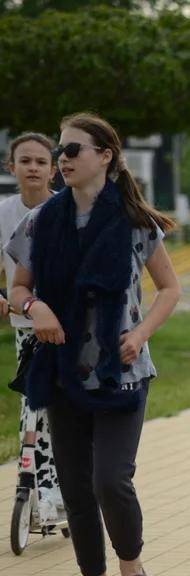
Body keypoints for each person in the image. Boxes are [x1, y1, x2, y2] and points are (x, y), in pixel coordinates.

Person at [5, 112, 181, 576]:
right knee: (77, 488)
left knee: (111, 480)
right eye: (61, 149)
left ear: (105, 156)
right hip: (61, 372)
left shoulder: (133, 221)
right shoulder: (41, 221)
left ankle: (134, 571)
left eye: (73, 149)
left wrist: (140, 333)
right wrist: (34, 309)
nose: (63, 158)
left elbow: (169, 288)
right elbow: (17, 289)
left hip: (121, 372)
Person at [1, 133, 63, 523]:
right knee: (33, 404)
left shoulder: (65, 210)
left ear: (53, 169)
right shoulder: (4, 213)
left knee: (56, 409)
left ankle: (58, 489)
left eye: (42, 162)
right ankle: (43, 488)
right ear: (12, 169)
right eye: (26, 161)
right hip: (25, 326)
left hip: (64, 328)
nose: (34, 168)